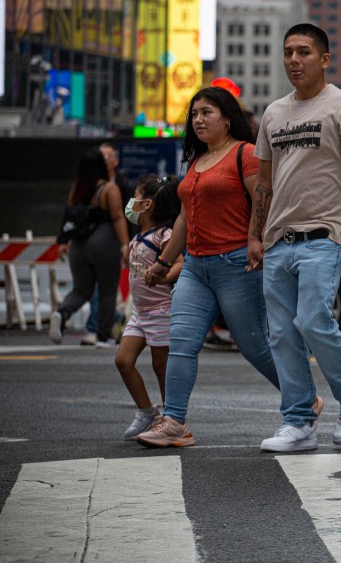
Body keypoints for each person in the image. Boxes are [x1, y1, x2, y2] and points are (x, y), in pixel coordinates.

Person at [248, 23, 341, 453]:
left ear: (324, 59)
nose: (293, 60)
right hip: (278, 237)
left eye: (303, 52)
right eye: (288, 52)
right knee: (281, 334)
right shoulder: (272, 113)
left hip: (326, 233)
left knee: (312, 319)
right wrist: (255, 235)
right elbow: (264, 182)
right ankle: (300, 421)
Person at [136, 87, 287, 448]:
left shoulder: (245, 154)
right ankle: (175, 422)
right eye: (194, 114)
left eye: (207, 113)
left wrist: (256, 240)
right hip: (195, 268)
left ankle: (301, 398)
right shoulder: (195, 162)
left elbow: (263, 202)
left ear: (227, 118)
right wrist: (163, 262)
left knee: (256, 347)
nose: (198, 119)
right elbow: (186, 219)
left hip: (237, 264)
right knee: (182, 343)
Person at [117, 175, 183, 440]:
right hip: (139, 313)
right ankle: (147, 412)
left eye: (136, 196)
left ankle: (172, 417)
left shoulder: (163, 235)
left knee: (161, 365)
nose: (131, 202)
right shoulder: (138, 237)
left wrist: (162, 276)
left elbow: (179, 264)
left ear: (148, 205)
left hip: (160, 311)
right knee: (123, 360)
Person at [49, 147, 130, 346]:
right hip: (104, 243)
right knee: (107, 290)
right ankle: (103, 335)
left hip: (79, 244)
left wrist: (63, 241)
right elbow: (118, 217)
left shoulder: (77, 188)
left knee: (81, 290)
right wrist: (125, 244)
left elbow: (68, 215)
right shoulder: (109, 189)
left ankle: (62, 313)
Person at [85, 142, 133, 347]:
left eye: (105, 157)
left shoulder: (123, 186)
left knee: (106, 288)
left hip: (116, 242)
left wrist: (127, 244)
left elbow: (127, 217)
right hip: (96, 242)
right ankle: (106, 321)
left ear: (115, 160)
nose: (101, 161)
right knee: (94, 286)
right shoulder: (89, 185)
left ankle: (99, 325)